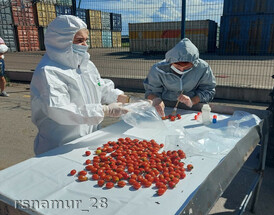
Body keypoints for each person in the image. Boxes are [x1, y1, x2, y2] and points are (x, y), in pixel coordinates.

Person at [30, 15, 129, 155]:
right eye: (79, 40)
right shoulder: (48, 72)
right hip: (60, 145)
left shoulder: (86, 65)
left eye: (85, 40)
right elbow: (60, 110)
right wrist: (104, 110)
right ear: (61, 41)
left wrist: (121, 97)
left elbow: (99, 86)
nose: (85, 45)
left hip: (89, 139)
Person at [143, 38, 216, 117]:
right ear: (170, 62)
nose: (181, 70)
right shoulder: (158, 69)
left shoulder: (202, 68)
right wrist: (156, 100)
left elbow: (209, 90)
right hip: (166, 105)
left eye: (186, 68)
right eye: (177, 67)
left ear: (194, 64)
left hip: (193, 107)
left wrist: (193, 101)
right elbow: (151, 91)